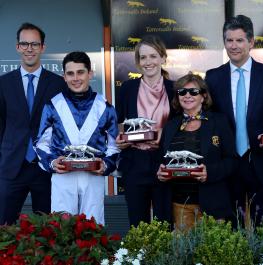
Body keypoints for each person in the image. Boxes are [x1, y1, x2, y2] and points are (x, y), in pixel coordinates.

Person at [205, 15, 263, 225]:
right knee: (230, 226)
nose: (234, 46)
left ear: (251, 42)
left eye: (239, 40)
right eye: (229, 40)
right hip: (227, 162)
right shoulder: (212, 77)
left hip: (260, 161)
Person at [35, 51, 119, 225]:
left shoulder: (104, 107)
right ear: (64, 77)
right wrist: (52, 162)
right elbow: (41, 144)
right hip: (63, 175)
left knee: (93, 228)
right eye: (70, 73)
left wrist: (106, 165)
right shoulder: (53, 105)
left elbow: (114, 147)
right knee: (61, 230)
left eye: (80, 72)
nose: (76, 78)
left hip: (93, 176)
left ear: (90, 74)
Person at [0, 23, 66, 225]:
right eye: (25, 44)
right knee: (3, 227)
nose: (30, 48)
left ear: (43, 47)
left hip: (45, 167)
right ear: (18, 47)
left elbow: (62, 125)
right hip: (11, 166)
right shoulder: (3, 83)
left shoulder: (58, 83)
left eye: (34, 44)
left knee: (48, 229)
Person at [157, 73, 236, 230]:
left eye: (193, 92)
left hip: (213, 204)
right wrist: (160, 172)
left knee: (213, 253)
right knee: (182, 253)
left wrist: (210, 172)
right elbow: (162, 159)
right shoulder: (171, 125)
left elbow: (232, 161)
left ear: (203, 96)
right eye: (182, 92)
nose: (187, 96)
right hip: (179, 205)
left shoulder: (219, 122)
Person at [116, 35, 175, 227]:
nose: (148, 62)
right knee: (137, 224)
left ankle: (164, 259)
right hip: (134, 163)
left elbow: (181, 128)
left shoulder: (174, 89)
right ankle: (138, 258)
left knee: (164, 224)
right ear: (138, 62)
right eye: (143, 58)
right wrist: (121, 139)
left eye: (153, 56)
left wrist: (163, 137)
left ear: (163, 58)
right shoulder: (127, 88)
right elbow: (120, 123)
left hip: (164, 164)